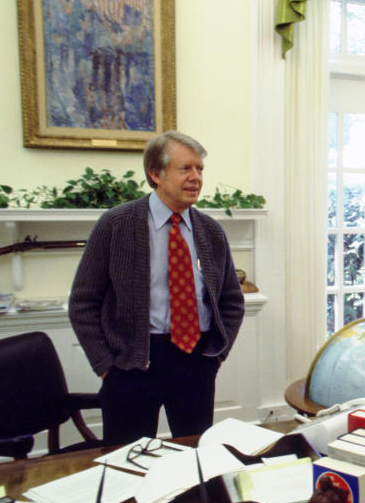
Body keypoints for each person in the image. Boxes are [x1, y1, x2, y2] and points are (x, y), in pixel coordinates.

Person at [69, 131, 245, 446]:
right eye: (185, 169)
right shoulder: (115, 225)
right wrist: (105, 366)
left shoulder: (211, 231)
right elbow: (82, 304)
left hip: (196, 361)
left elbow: (232, 301)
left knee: (195, 458)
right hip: (131, 363)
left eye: (200, 169)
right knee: (127, 462)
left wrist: (216, 356)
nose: (196, 178)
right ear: (156, 174)